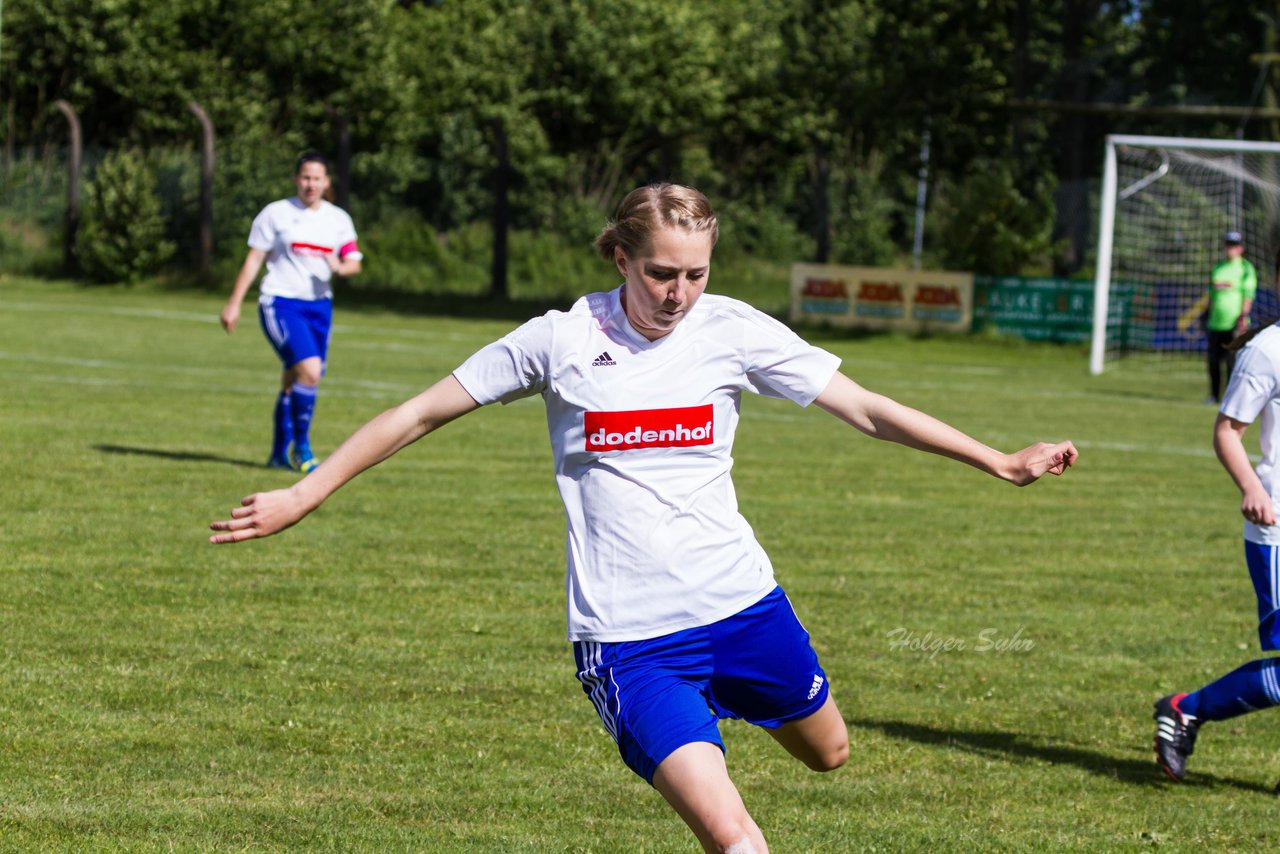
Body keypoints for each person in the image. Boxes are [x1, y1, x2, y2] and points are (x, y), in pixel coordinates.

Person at [210, 183, 1077, 853]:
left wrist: (997, 459)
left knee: (831, 754)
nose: (678, 293)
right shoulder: (556, 340)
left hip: (744, 607)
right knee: (735, 836)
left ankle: (725, 708)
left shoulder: (731, 331)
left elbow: (866, 408)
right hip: (631, 641)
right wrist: (305, 491)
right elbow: (418, 414)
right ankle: (688, 725)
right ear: (621, 256)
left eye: (696, 274)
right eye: (661, 271)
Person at [1154, 319, 1280, 783]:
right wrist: (1252, 486)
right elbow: (1227, 430)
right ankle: (1187, 709)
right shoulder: (1268, 351)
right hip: (1277, 530)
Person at [220, 151, 363, 473]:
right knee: (309, 372)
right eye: (305, 177)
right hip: (280, 302)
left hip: (319, 308)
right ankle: (302, 448)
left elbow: (355, 262)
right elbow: (254, 259)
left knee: (293, 379)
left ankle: (276, 454)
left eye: (316, 178)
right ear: (295, 179)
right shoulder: (276, 214)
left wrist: (340, 267)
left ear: (326, 182)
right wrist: (233, 303)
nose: (310, 184)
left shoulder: (338, 219)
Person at [1204, 230, 1257, 404]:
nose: (1230, 248)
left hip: (1234, 324)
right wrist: (1206, 315)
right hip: (1215, 323)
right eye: (1228, 244)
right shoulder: (1218, 269)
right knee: (1213, 362)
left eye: (1234, 245)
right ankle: (1213, 395)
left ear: (1241, 248)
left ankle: (1230, 397)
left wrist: (1242, 316)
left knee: (1232, 363)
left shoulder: (1245, 269)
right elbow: (1212, 295)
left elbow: (1248, 295)